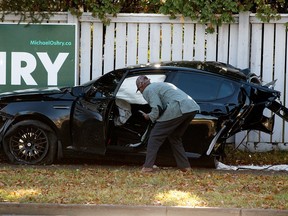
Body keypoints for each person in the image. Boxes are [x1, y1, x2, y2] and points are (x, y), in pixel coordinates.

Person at [136, 75, 200, 172]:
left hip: (178, 107)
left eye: (139, 90)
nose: (141, 92)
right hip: (191, 107)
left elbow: (157, 107)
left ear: (141, 86)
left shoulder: (148, 90)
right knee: (175, 137)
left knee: (154, 137)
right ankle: (185, 167)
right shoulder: (161, 85)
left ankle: (148, 167)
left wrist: (149, 116)